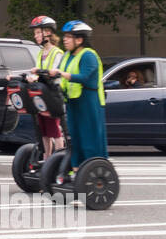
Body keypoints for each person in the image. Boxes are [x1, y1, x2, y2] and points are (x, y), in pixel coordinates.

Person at [47, 20, 108, 182]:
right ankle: (76, 172)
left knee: (89, 139)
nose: (65, 40)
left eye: (69, 37)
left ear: (79, 40)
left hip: (89, 102)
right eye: (65, 36)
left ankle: (94, 173)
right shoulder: (67, 55)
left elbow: (85, 77)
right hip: (72, 102)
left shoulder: (88, 55)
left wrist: (61, 74)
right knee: (75, 138)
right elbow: (57, 73)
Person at [23, 14, 65, 157]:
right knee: (44, 131)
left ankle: (59, 158)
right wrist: (31, 78)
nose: (35, 36)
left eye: (37, 32)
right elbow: (37, 72)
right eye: (35, 33)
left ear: (47, 32)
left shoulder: (57, 53)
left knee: (55, 130)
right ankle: (47, 159)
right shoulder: (41, 53)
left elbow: (54, 73)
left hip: (53, 95)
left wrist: (39, 74)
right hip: (41, 95)